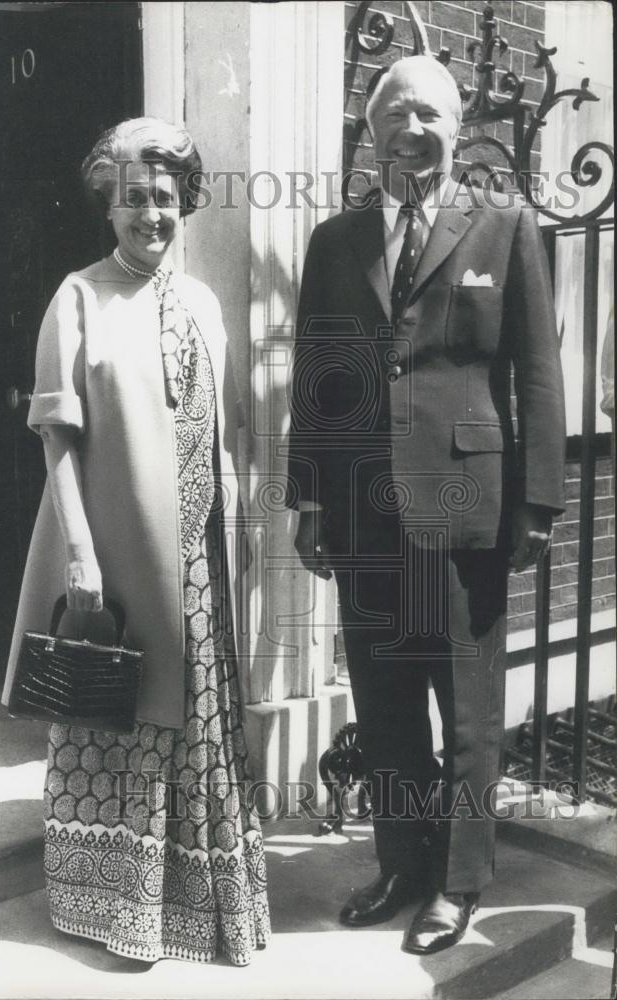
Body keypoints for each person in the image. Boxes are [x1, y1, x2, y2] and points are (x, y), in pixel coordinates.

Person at [287, 56, 566, 954]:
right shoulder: (335, 243)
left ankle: (458, 882)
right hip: (363, 508)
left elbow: (537, 371)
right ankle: (401, 865)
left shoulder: (503, 225)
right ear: (371, 132)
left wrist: (536, 504)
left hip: (468, 505)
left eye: (432, 115)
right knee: (385, 697)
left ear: (457, 127)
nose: (414, 128)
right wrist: (307, 498)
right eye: (396, 113)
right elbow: (316, 379)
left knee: (467, 704)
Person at [2, 117, 270, 965]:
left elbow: (225, 432)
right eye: (132, 201)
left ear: (184, 203)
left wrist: (241, 533)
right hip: (115, 552)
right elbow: (57, 438)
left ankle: (200, 909)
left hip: (200, 556)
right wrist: (79, 550)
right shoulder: (77, 295)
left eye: (164, 198)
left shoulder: (202, 301)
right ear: (106, 209)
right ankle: (117, 913)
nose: (150, 214)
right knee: (118, 724)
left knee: (198, 730)